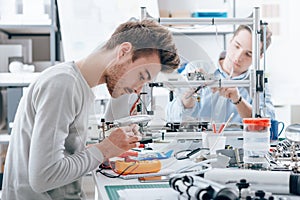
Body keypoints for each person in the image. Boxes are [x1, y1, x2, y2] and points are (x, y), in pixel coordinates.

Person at [2, 19, 180, 200]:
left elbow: (60, 154)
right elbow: (43, 176)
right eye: (141, 76)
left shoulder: (79, 86)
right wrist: (104, 149)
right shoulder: (64, 84)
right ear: (124, 51)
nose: (138, 89)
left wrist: (105, 152)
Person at [166, 24, 275, 123]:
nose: (238, 57)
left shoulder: (258, 83)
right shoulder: (195, 68)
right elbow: (171, 118)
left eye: (248, 54)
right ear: (230, 40)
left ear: (259, 57)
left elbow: (267, 124)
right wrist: (187, 98)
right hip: (198, 144)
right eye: (237, 46)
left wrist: (238, 100)